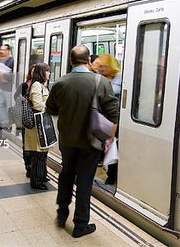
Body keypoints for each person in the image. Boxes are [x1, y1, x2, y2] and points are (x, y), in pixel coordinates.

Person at [45, 45, 119, 238]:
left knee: (66, 175)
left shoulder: (60, 82)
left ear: (70, 61)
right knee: (84, 182)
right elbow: (113, 113)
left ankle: (62, 214)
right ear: (88, 61)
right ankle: (80, 225)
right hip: (91, 142)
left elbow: (51, 109)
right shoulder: (100, 82)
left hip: (67, 141)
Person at [95, 53, 122, 185]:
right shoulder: (99, 78)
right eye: (100, 67)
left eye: (104, 66)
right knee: (104, 145)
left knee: (113, 145)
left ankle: (112, 175)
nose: (102, 69)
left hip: (115, 118)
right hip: (101, 117)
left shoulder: (119, 77)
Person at [25, 63, 50, 190]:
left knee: (41, 154)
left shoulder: (40, 85)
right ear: (42, 72)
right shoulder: (36, 85)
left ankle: (41, 177)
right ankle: (36, 182)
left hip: (40, 123)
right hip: (37, 125)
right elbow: (37, 105)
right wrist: (49, 105)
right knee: (38, 154)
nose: (49, 73)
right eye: (47, 71)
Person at [14, 65, 36, 178]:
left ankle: (36, 167)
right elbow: (16, 97)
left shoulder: (41, 85)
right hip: (27, 119)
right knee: (27, 144)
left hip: (36, 120)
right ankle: (28, 166)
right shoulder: (24, 85)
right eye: (33, 71)